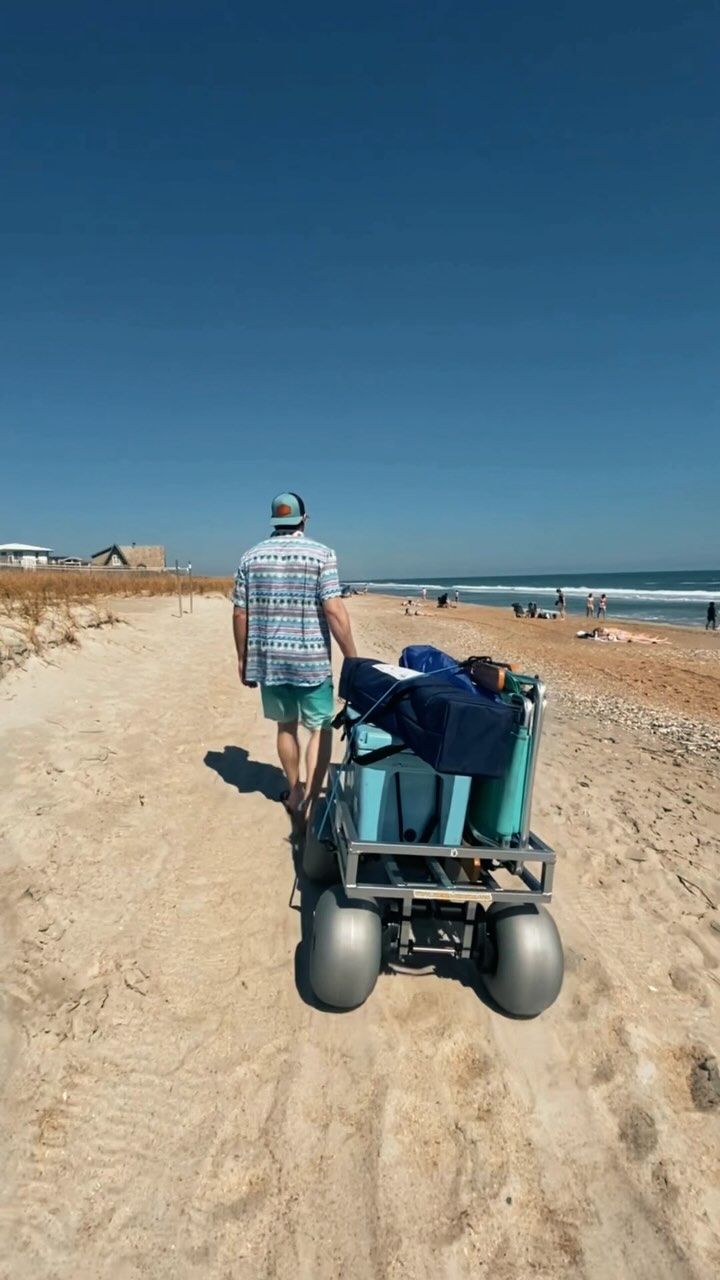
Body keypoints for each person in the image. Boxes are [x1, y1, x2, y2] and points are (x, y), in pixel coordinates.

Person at [232, 492, 357, 829]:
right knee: (319, 728)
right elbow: (333, 609)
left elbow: (241, 613)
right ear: (304, 519)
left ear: (275, 520)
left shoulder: (250, 557)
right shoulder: (321, 554)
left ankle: (295, 792)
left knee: (285, 726)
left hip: (270, 661)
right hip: (311, 661)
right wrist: (353, 658)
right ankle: (312, 803)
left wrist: (243, 658)